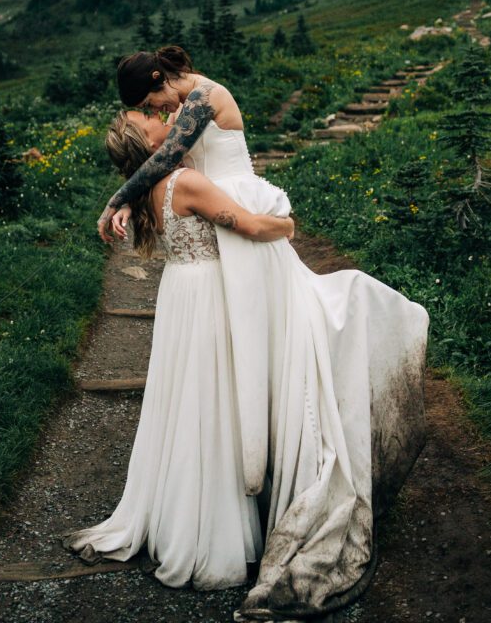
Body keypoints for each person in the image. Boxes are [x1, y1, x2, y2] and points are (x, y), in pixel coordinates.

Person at [94, 47, 429, 620]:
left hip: (235, 218)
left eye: (153, 100)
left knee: (277, 338)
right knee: (255, 349)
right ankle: (262, 478)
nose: (159, 110)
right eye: (152, 108)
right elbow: (168, 162)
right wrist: (125, 196)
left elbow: (170, 156)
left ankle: (271, 472)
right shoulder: (182, 115)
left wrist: (117, 198)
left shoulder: (203, 95)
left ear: (159, 79)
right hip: (229, 225)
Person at [62, 110, 294, 589]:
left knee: (184, 401)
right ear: (148, 147)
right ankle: (207, 531)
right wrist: (287, 225)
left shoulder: (145, 190)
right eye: (150, 124)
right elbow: (249, 226)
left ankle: (181, 508)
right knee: (209, 401)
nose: (163, 122)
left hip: (179, 291)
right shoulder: (185, 181)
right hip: (207, 292)